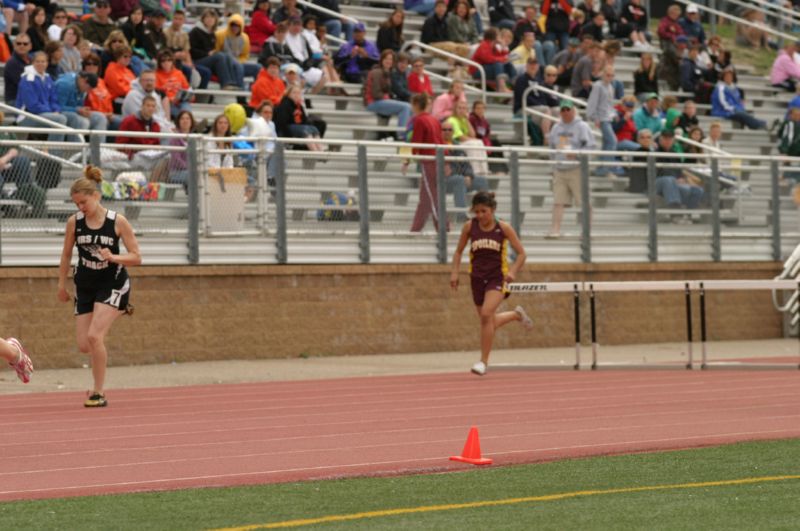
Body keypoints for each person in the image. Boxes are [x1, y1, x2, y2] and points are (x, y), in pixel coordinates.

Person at [57, 166, 141, 408]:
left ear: (95, 195)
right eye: (76, 204)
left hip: (112, 282)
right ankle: (114, 310)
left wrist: (114, 257)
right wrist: (61, 285)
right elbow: (65, 256)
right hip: (85, 283)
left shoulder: (118, 222)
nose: (80, 208)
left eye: (83, 202)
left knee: (95, 336)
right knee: (85, 345)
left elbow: (137, 257)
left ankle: (98, 392)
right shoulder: (75, 222)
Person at [449, 191, 532, 376]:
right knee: (487, 320)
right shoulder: (469, 227)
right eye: (476, 212)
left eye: (483, 211)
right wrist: (454, 273)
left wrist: (512, 272)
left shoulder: (504, 228)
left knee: (486, 314)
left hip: (497, 278)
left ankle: (483, 362)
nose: (480, 216)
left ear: (492, 210)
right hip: (477, 278)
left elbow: (521, 254)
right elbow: (458, 252)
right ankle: (516, 315)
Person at [547, 99, 596, 238]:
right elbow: (551, 147)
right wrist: (554, 164)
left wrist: (577, 154)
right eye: (563, 110)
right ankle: (555, 230)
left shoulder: (582, 126)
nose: (566, 112)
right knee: (558, 201)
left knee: (584, 201)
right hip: (560, 169)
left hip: (577, 169)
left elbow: (591, 146)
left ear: (574, 110)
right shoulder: (556, 127)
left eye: (568, 109)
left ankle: (586, 230)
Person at [409, 93, 444, 232]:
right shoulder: (434, 120)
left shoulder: (419, 120)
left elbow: (416, 143)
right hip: (438, 161)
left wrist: (408, 158)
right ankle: (416, 228)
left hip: (428, 161)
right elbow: (441, 141)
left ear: (417, 105)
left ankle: (442, 226)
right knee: (427, 197)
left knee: (430, 196)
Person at [653, 130, 703, 221]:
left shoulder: (675, 154)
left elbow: (679, 172)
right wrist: (675, 179)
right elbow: (655, 173)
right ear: (660, 140)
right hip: (657, 183)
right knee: (668, 179)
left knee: (697, 190)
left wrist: (682, 179)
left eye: (670, 139)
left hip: (673, 184)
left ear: (673, 141)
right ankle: (675, 213)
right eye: (665, 139)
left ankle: (689, 215)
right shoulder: (654, 153)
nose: (667, 141)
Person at [364, 50, 412, 139]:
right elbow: (375, 93)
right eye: (386, 59)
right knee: (406, 107)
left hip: (381, 101)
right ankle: (401, 136)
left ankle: (409, 134)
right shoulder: (377, 72)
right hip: (373, 102)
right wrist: (388, 97)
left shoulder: (387, 73)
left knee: (411, 108)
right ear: (382, 59)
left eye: (391, 59)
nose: (388, 61)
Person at [189, 9, 242, 90]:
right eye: (207, 17)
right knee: (220, 56)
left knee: (226, 56)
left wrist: (212, 52)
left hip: (207, 59)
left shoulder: (212, 33)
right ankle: (225, 83)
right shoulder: (195, 31)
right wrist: (206, 54)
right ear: (203, 19)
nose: (210, 19)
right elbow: (191, 50)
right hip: (197, 60)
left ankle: (233, 83)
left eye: (212, 17)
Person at [4, 35, 33, 105]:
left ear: (30, 46)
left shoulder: (33, 60)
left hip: (30, 99)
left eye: (25, 44)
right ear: (14, 45)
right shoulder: (12, 63)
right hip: (15, 100)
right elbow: (24, 85)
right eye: (18, 43)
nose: (22, 46)